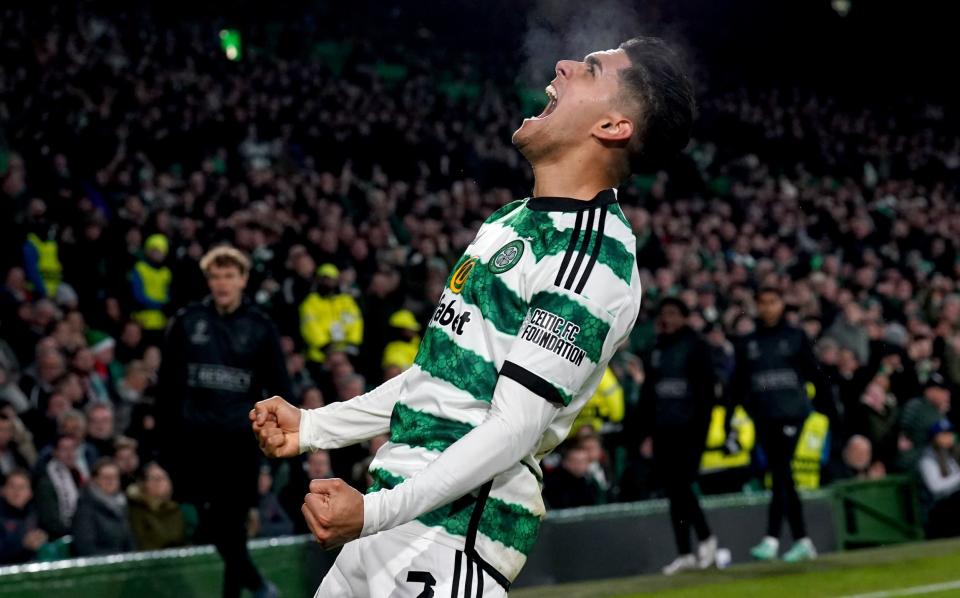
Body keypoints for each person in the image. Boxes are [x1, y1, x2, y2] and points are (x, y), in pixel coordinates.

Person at [252, 36, 693, 596]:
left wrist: (375, 511)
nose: (562, 66)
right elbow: (440, 377)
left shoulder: (592, 258)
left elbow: (514, 428)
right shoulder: (508, 222)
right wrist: (317, 427)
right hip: (388, 522)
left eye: (590, 69)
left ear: (612, 127)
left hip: (449, 542)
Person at [157, 245, 290, 598]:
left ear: (243, 279)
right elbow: (167, 385)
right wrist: (164, 443)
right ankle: (259, 586)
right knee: (212, 525)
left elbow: (280, 389)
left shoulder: (261, 327)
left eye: (229, 276)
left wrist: (272, 444)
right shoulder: (187, 321)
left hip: (239, 444)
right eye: (215, 276)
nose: (222, 283)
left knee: (233, 527)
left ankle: (244, 591)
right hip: (194, 442)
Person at [729, 287, 831, 562]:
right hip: (763, 416)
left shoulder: (795, 337)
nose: (767, 308)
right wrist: (732, 414)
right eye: (762, 302)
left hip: (792, 416)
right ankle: (803, 540)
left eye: (772, 302)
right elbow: (738, 384)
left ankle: (772, 537)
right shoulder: (748, 343)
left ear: (782, 304)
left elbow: (816, 376)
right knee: (782, 475)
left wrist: (829, 411)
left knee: (781, 471)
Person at [636, 297, 718, 574]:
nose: (667, 318)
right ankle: (685, 552)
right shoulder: (656, 349)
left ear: (684, 317)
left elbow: (706, 395)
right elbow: (649, 395)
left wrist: (701, 433)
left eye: (673, 313)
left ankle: (706, 538)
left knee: (681, 486)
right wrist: (646, 433)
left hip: (688, 429)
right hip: (663, 430)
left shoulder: (696, 347)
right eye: (664, 313)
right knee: (674, 491)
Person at [72, 458, 135, 556]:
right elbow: (86, 549)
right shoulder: (85, 508)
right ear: (95, 479)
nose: (111, 481)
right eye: (106, 477)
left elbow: (129, 541)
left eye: (114, 477)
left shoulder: (122, 505)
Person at [127, 462, 188, 550]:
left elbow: (181, 540)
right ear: (144, 483)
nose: (159, 483)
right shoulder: (136, 509)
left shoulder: (175, 510)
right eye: (154, 479)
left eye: (163, 478)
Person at [918, 419, 960, 538]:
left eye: (950, 433)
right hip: (937, 510)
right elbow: (935, 487)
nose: (948, 437)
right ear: (935, 437)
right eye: (944, 434)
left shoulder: (953, 454)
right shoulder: (927, 458)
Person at [0, 469, 47, 564]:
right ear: (3, 490)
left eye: (22, 487)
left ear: (30, 493)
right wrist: (22, 543)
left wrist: (43, 537)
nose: (16, 492)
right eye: (12, 486)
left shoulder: (35, 513)